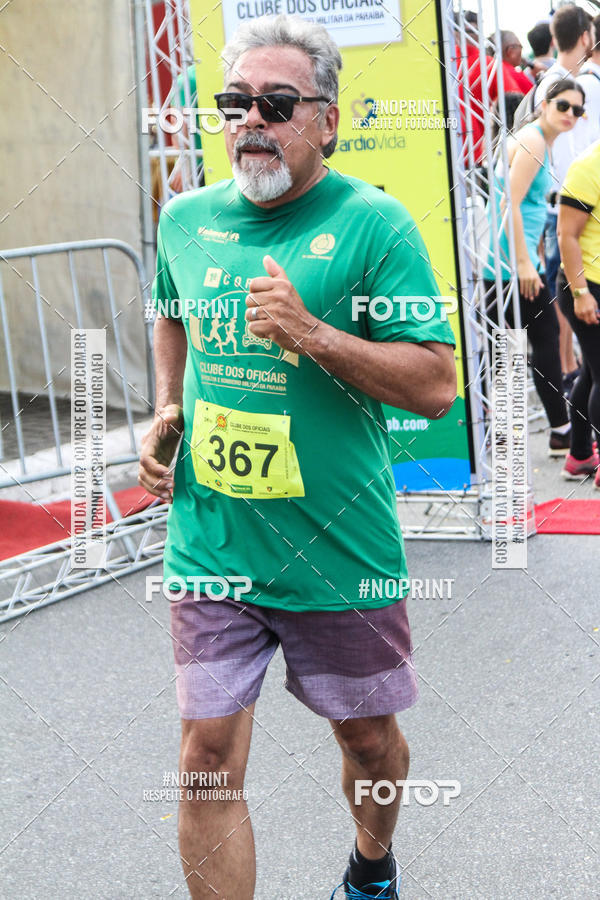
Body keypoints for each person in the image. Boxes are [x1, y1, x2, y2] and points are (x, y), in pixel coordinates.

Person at [138, 13, 457, 900]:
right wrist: (169, 405)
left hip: (337, 543)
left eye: (276, 103)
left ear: (328, 118)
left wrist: (313, 333)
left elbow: (434, 385)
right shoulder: (186, 218)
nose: (251, 120)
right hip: (214, 538)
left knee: (369, 742)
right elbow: (170, 306)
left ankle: (372, 864)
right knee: (205, 755)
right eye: (233, 102)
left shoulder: (377, 227)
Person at [483, 79, 585, 456]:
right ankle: (559, 431)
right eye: (563, 106)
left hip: (508, 263)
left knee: (513, 347)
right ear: (544, 103)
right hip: (512, 267)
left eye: (577, 110)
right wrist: (525, 264)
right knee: (540, 340)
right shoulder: (534, 141)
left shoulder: (533, 139)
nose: (570, 115)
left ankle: (519, 434)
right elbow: (509, 204)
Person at [531, 5, 592, 387]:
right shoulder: (555, 84)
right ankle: (568, 372)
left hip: (575, 204)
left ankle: (572, 371)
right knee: (565, 297)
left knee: (571, 295)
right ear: (585, 36)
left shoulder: (570, 79)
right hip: (561, 206)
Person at [557, 139, 600, 483]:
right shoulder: (588, 166)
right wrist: (582, 293)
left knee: (591, 370)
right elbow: (566, 235)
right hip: (587, 286)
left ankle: (580, 455)